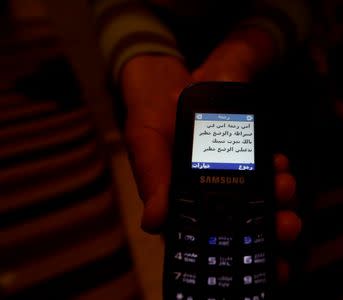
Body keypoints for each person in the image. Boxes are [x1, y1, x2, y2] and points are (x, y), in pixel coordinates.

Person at [90, 0, 313, 286]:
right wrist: (143, 56)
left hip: (275, 57)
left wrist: (252, 45)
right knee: (179, 223)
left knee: (289, 230)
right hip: (155, 40)